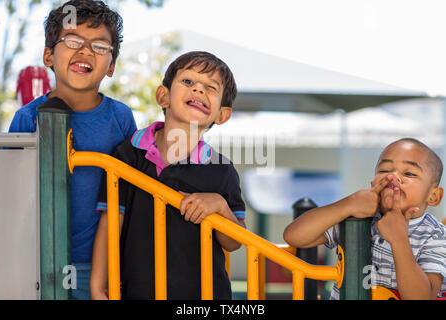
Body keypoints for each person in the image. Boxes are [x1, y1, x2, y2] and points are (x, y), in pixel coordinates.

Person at [91, 51, 247, 300]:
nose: (198, 90)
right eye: (188, 82)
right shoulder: (128, 154)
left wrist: (219, 206)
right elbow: (110, 225)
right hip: (137, 293)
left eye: (210, 87)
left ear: (222, 115)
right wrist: (98, 287)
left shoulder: (222, 170)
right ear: (163, 96)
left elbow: (234, 242)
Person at [8, 0, 137, 299]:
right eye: (72, 41)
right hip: (39, 263)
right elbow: (14, 196)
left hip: (102, 267)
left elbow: (132, 193)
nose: (86, 51)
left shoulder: (121, 118)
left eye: (100, 46)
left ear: (112, 66)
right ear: (49, 55)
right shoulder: (27, 117)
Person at [283, 138, 446, 300]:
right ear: (372, 182)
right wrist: (347, 204)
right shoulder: (355, 217)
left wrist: (399, 240)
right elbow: (294, 236)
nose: (392, 177)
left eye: (409, 173)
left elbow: (423, 297)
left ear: (433, 196)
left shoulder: (436, 235)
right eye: (384, 170)